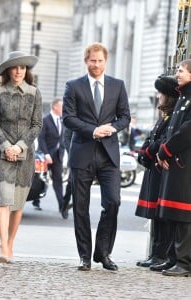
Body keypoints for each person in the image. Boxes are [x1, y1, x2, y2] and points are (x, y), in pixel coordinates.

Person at [63, 42, 130, 271]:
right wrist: (92, 130)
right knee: (80, 207)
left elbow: (125, 117)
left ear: (105, 61)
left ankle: (103, 252)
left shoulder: (117, 86)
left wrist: (111, 127)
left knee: (113, 202)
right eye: (93, 61)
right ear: (86, 61)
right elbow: (68, 118)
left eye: (100, 61)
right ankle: (84, 256)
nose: (97, 65)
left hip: (108, 154)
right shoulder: (73, 86)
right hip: (82, 152)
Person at [0, 51, 42, 264]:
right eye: (15, 67)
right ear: (8, 70)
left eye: (22, 67)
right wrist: (6, 146)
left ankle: (10, 243)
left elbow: (36, 125)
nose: (19, 71)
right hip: (2, 153)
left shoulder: (34, 93)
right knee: (4, 200)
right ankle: (3, 246)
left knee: (18, 204)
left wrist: (19, 147)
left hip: (26, 153)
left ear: (26, 70)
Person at [135, 75, 179, 269]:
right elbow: (151, 140)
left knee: (163, 217)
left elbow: (163, 142)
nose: (158, 96)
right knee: (155, 216)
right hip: (154, 170)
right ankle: (156, 253)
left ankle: (161, 255)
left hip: (162, 172)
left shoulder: (173, 118)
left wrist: (151, 149)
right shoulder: (164, 117)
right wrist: (146, 151)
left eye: (161, 93)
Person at [155, 59, 191, 277]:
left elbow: (187, 131)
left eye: (180, 70)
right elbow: (172, 128)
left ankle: (184, 263)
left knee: (184, 215)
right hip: (175, 161)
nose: (177, 73)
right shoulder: (183, 96)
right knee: (174, 214)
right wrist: (163, 152)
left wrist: (165, 150)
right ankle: (173, 258)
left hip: (185, 162)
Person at [37, 98, 65, 212]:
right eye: (62, 107)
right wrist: (46, 154)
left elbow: (62, 139)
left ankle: (62, 206)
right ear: (55, 107)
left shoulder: (62, 121)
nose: (64, 109)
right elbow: (41, 139)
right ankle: (36, 200)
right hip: (45, 156)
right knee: (40, 179)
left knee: (58, 179)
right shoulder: (45, 120)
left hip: (58, 156)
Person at [61, 126, 73, 219]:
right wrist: (74, 152)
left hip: (91, 158)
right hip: (75, 158)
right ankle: (65, 205)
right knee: (71, 184)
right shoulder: (73, 116)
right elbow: (66, 139)